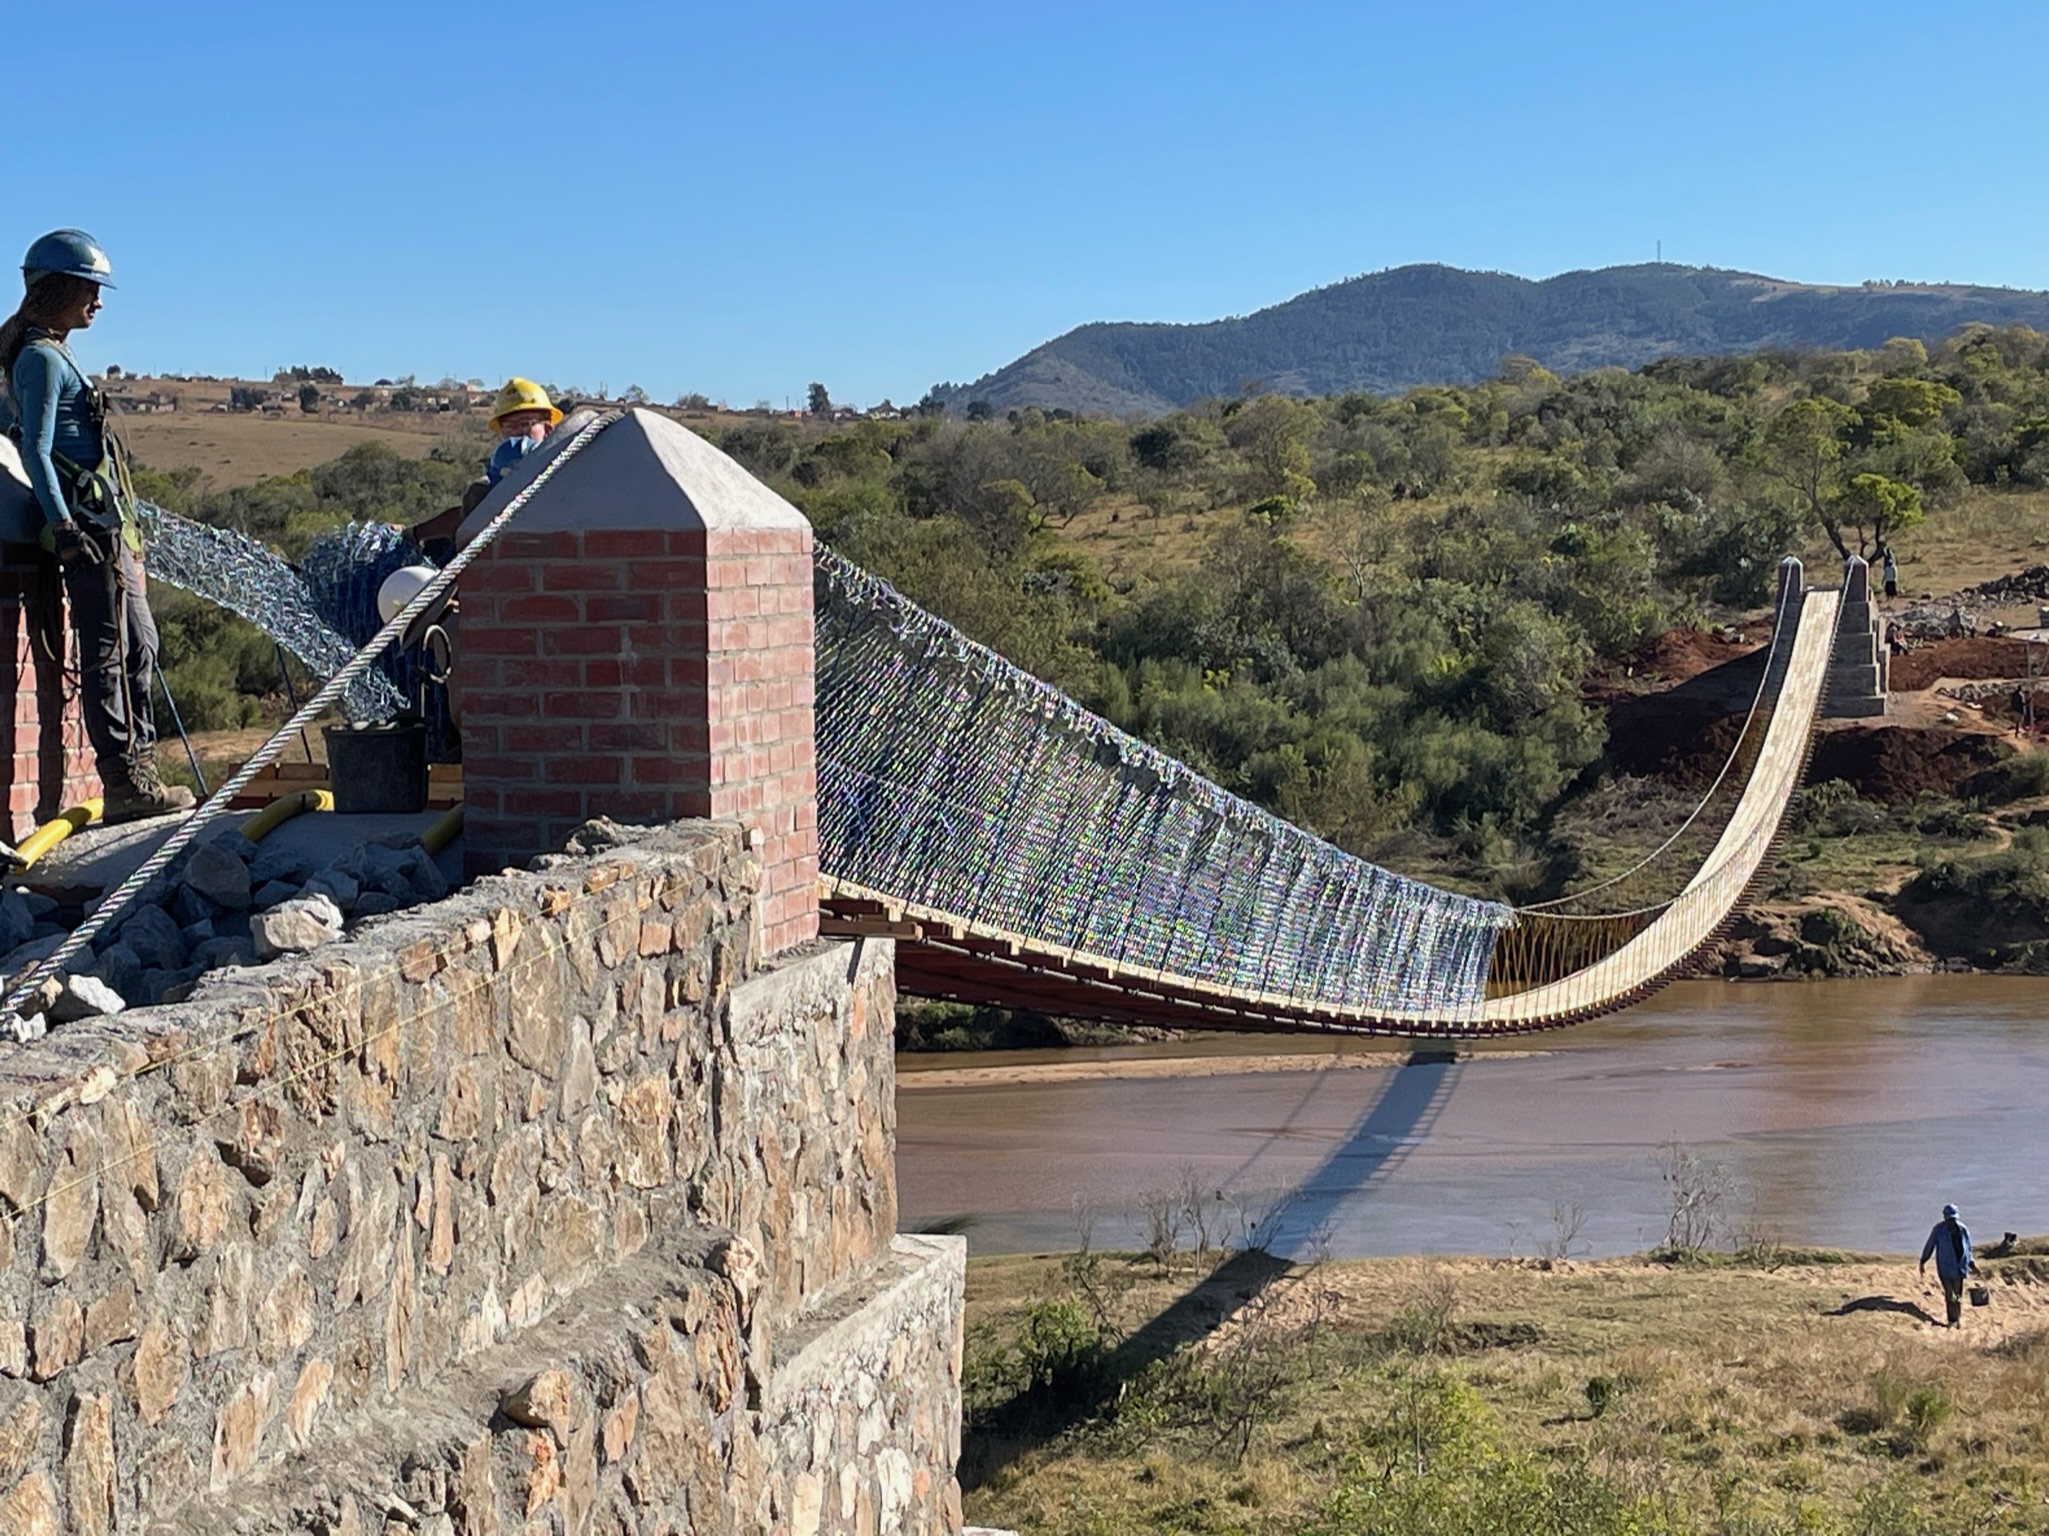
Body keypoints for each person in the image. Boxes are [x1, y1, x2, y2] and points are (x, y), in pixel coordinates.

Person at [0, 230, 193, 823]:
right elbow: (34, 449)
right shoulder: (38, 359)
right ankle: (124, 781)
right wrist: (63, 526)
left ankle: (141, 765)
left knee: (140, 645)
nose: (98, 302)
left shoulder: (54, 353)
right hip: (82, 528)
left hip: (105, 527)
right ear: (57, 288)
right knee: (108, 651)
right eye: (89, 288)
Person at [485, 378, 562, 485]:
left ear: (547, 429)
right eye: (509, 426)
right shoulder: (495, 469)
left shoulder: (565, 470)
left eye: (525, 424)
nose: (516, 432)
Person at [1918, 1202, 1974, 1328]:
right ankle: (1951, 1320)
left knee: (1957, 1294)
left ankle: (1957, 1318)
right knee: (1950, 1294)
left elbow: (1968, 1249)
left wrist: (1972, 1264)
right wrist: (1923, 1260)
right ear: (1945, 1218)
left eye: (1953, 1219)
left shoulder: (1963, 1229)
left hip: (1960, 1268)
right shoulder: (1938, 1230)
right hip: (1945, 1269)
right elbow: (1930, 1246)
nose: (1952, 1222)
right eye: (1950, 1219)